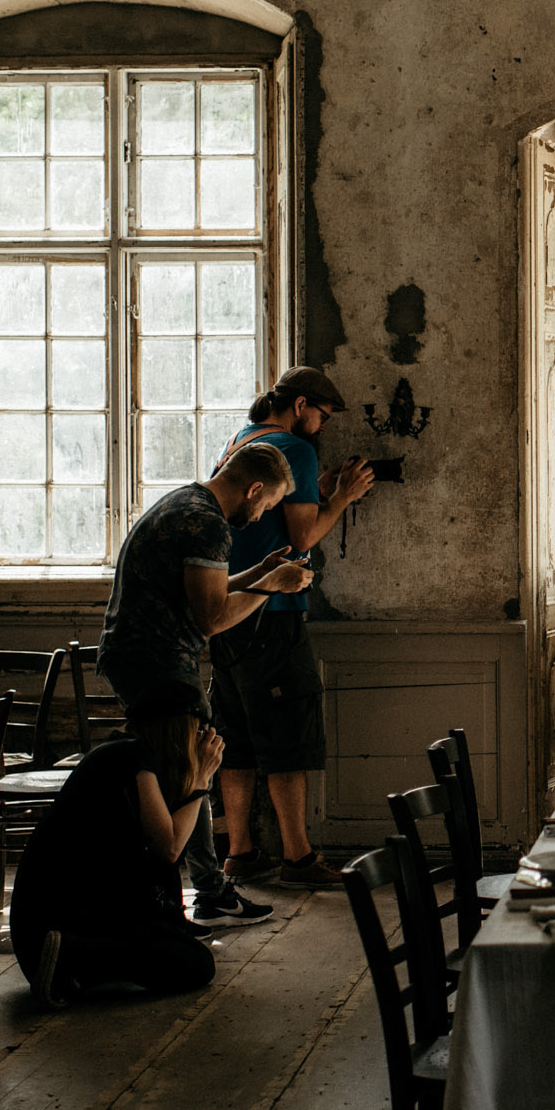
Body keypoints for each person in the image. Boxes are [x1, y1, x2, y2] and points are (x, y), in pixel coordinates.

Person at [94, 437, 310, 929]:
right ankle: (185, 898)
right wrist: (272, 587)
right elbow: (211, 617)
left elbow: (205, 589)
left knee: (182, 768)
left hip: (140, 656)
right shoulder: (207, 524)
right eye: (268, 505)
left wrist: (263, 570)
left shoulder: (187, 503)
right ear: (255, 489)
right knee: (185, 774)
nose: (261, 517)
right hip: (158, 662)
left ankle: (206, 890)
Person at [206, 367, 376, 895]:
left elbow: (269, 519)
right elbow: (302, 537)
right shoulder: (296, 451)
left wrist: (318, 493)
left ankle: (239, 854)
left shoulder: (241, 440)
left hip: (227, 609)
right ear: (300, 405)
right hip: (273, 614)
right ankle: (298, 858)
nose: (323, 428)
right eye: (322, 416)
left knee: (234, 735)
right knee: (286, 735)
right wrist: (343, 495)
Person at [11, 709, 227, 1009]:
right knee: (197, 964)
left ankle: (82, 965)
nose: (204, 738)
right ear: (177, 730)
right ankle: (70, 959)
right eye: (199, 729)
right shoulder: (134, 757)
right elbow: (171, 848)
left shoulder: (122, 752)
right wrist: (202, 778)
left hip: (51, 922)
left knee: (174, 941)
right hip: (55, 929)